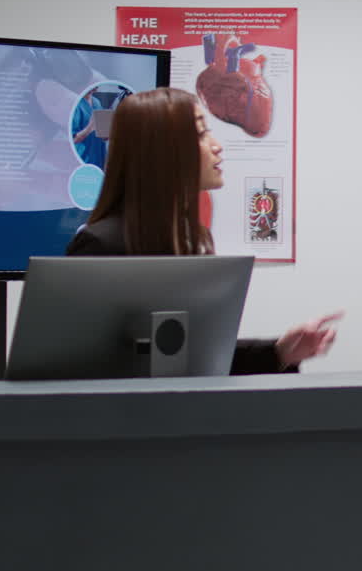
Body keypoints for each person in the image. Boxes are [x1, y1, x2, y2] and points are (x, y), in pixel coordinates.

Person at [66, 87, 341, 375]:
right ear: (161, 150)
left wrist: (280, 353)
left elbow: (187, 356)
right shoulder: (100, 246)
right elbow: (82, 369)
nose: (216, 145)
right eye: (200, 134)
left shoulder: (190, 239)